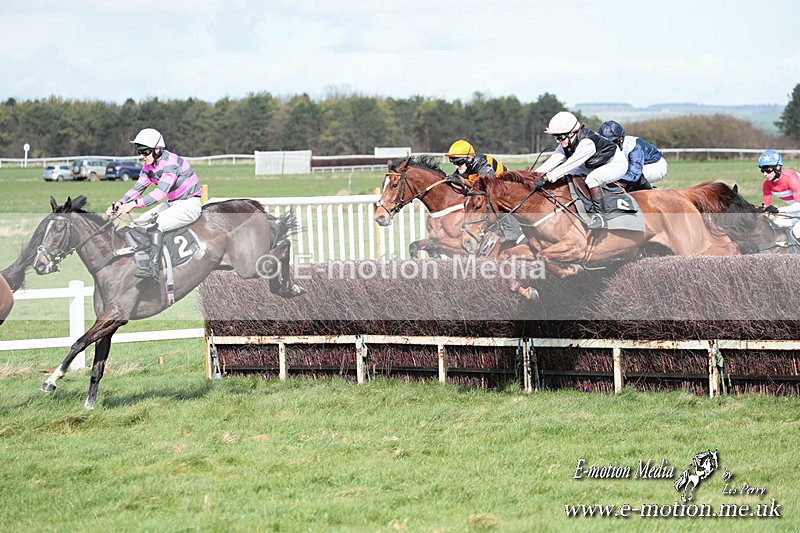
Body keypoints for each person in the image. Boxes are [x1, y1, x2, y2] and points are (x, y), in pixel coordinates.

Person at [105, 128, 203, 280]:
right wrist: (120, 202)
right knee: (137, 225)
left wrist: (132, 205)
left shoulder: (171, 164)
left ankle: (154, 269)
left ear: (157, 149)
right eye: (139, 152)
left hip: (189, 205)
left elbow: (159, 194)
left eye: (145, 152)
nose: (141, 156)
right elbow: (138, 188)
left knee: (155, 225)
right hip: (173, 204)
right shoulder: (148, 165)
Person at [533, 111, 628, 229]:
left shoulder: (587, 143)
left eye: (560, 137)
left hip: (616, 164)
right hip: (594, 165)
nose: (558, 141)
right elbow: (554, 160)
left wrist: (549, 176)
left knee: (592, 179)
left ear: (572, 133)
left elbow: (571, 164)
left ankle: (601, 217)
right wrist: (533, 175)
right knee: (568, 176)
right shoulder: (566, 142)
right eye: (555, 137)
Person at [444, 139, 523, 244]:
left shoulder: (483, 164)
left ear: (469, 158)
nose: (456, 166)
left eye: (458, 162)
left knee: (493, 198)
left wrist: (463, 183)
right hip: (495, 187)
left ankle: (510, 230)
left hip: (508, 190)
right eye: (453, 162)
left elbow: (483, 187)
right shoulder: (467, 164)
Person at [597, 120, 667, 192]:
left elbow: (634, 175)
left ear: (621, 139)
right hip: (634, 166)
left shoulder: (633, 147)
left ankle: (650, 194)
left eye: (611, 142)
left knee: (631, 176)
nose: (607, 146)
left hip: (655, 165)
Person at [758, 149, 800, 240]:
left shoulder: (791, 178)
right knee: (775, 226)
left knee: (797, 232)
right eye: (762, 170)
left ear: (777, 168)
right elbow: (766, 207)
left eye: (768, 170)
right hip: (796, 211)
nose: (765, 174)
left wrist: (779, 210)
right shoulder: (767, 184)